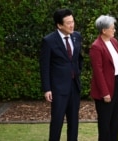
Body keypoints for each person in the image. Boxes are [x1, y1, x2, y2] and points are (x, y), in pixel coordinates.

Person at [39, 8, 83, 141]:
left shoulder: (77, 36)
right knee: (57, 122)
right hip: (58, 89)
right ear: (59, 25)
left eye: (73, 21)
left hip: (74, 86)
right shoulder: (49, 41)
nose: (72, 25)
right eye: (68, 23)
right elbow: (44, 66)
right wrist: (47, 88)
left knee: (74, 122)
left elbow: (78, 59)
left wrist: (77, 73)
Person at [89, 15, 118, 141]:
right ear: (104, 30)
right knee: (105, 122)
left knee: (115, 121)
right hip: (104, 87)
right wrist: (105, 92)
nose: (114, 30)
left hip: (116, 83)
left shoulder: (114, 42)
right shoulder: (96, 46)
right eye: (112, 28)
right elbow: (98, 72)